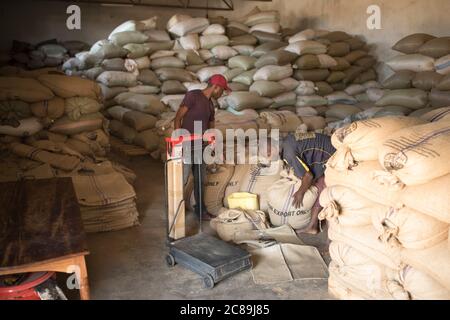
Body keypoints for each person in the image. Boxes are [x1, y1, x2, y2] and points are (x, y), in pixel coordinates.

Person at [174, 74, 231, 221]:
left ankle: (201, 210)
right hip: (187, 146)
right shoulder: (193, 96)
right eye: (222, 90)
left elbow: (211, 127)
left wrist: (212, 144)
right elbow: (178, 118)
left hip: (201, 148)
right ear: (215, 87)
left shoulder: (211, 105)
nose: (222, 93)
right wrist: (179, 140)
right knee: (184, 178)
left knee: (200, 179)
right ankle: (174, 211)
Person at [281, 130, 336, 234]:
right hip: (326, 150)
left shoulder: (288, 153)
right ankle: (312, 226)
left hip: (334, 155)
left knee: (321, 187)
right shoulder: (287, 142)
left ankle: (313, 226)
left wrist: (300, 192)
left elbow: (308, 176)